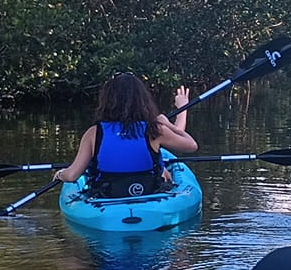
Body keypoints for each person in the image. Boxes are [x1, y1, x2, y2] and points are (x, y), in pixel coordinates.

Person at [53, 74, 198, 197]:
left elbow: (71, 175)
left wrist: (61, 174)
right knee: (163, 172)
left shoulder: (93, 133)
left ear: (107, 100)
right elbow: (191, 145)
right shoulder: (154, 130)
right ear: (142, 100)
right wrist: (169, 122)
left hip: (107, 196)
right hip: (149, 192)